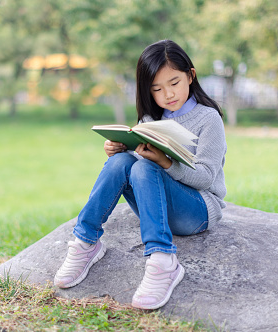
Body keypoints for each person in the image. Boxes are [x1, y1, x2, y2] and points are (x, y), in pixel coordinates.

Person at [54, 39, 227, 310]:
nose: (168, 94)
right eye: (157, 89)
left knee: (146, 166)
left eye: (174, 83)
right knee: (122, 161)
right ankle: (85, 241)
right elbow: (131, 169)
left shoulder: (209, 119)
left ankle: (163, 261)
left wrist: (167, 163)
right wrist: (119, 148)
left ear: (191, 76)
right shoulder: (150, 121)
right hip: (159, 205)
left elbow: (205, 177)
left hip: (198, 209)